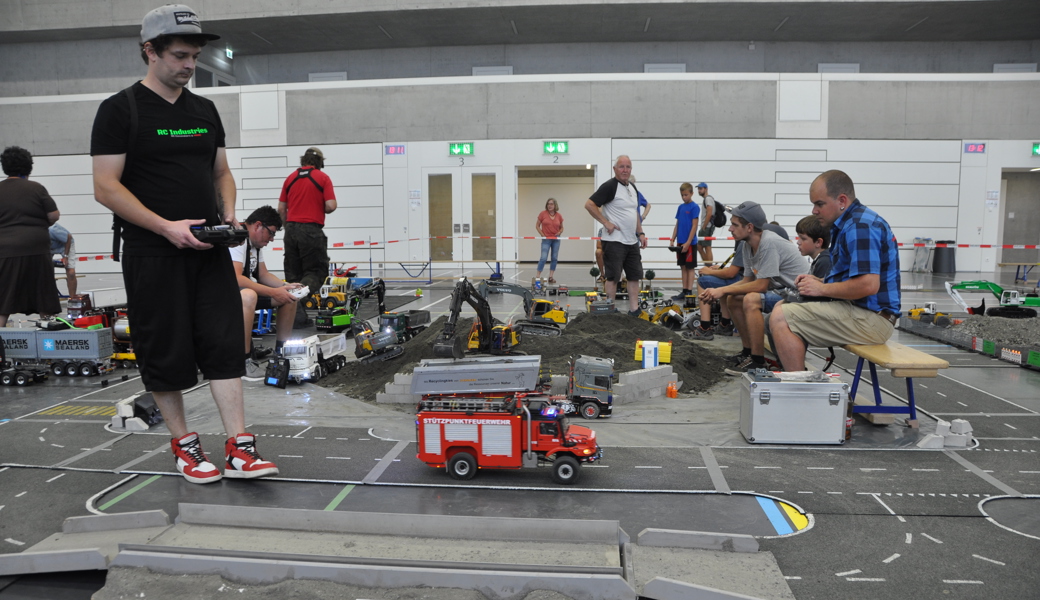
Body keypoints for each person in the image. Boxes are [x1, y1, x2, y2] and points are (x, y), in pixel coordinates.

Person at [91, 4, 277, 484]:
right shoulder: (119, 110)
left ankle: (239, 446)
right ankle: (185, 447)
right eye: (179, 55)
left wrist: (229, 211)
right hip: (153, 254)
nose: (190, 65)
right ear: (149, 51)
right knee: (166, 350)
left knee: (222, 343)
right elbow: (106, 186)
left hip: (209, 251)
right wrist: (165, 227)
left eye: (194, 56)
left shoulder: (204, 110)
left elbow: (221, 172)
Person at [770, 170, 901, 372]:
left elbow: (868, 285)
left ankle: (800, 390)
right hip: (864, 312)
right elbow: (853, 279)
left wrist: (821, 290)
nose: (814, 210)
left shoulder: (860, 226)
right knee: (783, 305)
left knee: (781, 318)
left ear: (842, 200)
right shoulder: (848, 224)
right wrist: (820, 282)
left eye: (819, 204)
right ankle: (800, 380)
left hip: (874, 320)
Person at [696, 201, 807, 375]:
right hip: (782, 292)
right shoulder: (747, 245)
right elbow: (747, 280)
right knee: (734, 298)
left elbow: (761, 285)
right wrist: (720, 293)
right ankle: (747, 353)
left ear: (749, 227)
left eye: (734, 224)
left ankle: (757, 361)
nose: (730, 229)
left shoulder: (768, 243)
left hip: (799, 296)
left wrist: (722, 290)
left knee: (751, 299)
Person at [231, 206, 303, 378]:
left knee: (290, 297)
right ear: (257, 226)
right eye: (270, 233)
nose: (271, 239)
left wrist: (285, 287)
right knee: (249, 296)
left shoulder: (255, 245)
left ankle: (282, 352)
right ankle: (244, 362)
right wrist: (273, 292)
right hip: (223, 294)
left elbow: (262, 274)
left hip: (242, 291)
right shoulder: (238, 239)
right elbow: (236, 278)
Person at [0, 146, 61, 328]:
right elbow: (54, 215)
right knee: (44, 296)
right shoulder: (36, 188)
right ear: (28, 167)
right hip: (37, 248)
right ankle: (47, 342)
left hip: (5, 251)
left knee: (3, 300)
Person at [584, 155, 648, 316]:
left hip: (631, 241)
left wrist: (640, 232)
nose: (625, 170)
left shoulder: (632, 188)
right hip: (614, 241)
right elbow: (589, 204)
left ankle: (634, 310)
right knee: (613, 277)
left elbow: (634, 212)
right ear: (615, 169)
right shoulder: (610, 186)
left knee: (634, 276)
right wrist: (606, 222)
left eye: (628, 167)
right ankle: (609, 309)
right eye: (621, 167)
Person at [279, 147, 337, 294]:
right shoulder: (322, 178)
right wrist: (317, 206)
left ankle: (295, 315)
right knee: (315, 273)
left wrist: (288, 227)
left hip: (290, 230)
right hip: (310, 229)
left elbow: (281, 209)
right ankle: (297, 299)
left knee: (293, 276)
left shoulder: (290, 178)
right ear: (320, 162)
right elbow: (331, 205)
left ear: (303, 160)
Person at [683, 241, 745, 340]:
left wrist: (710, 271)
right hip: (744, 277)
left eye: (734, 225)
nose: (730, 229)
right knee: (722, 283)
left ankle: (704, 328)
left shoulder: (743, 242)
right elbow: (741, 268)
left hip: (744, 280)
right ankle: (724, 325)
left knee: (702, 281)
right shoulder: (746, 240)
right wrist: (722, 270)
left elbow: (731, 274)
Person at [596, 176, 650, 283]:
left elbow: (644, 207)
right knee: (614, 272)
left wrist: (642, 219)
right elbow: (593, 205)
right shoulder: (612, 189)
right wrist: (606, 221)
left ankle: (624, 279)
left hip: (632, 234)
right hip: (616, 236)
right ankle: (614, 281)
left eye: (631, 184)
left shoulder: (636, 193)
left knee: (634, 272)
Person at [669, 183, 699, 301]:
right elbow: (677, 224)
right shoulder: (681, 207)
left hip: (690, 243)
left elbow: (694, 225)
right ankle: (684, 290)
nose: (684, 197)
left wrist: (688, 242)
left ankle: (689, 291)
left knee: (690, 267)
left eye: (686, 195)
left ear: (692, 193)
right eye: (682, 195)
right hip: (680, 242)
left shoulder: (694, 207)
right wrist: (672, 238)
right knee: (683, 266)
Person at [535, 198, 564, 283]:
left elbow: (562, 227)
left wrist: (559, 232)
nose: (549, 205)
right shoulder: (542, 214)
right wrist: (542, 234)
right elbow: (537, 225)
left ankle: (551, 277)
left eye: (551, 204)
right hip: (546, 239)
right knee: (543, 258)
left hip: (556, 239)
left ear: (555, 205)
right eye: (548, 204)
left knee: (554, 258)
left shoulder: (559, 216)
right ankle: (538, 276)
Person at [794, 215, 832, 280]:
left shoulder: (824, 262)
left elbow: (821, 289)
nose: (798, 242)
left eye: (803, 239)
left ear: (818, 242)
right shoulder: (819, 259)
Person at [49, 223, 78, 298]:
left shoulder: (52, 229)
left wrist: (65, 256)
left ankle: (72, 298)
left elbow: (68, 237)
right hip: (49, 247)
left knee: (71, 273)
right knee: (45, 270)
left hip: (65, 244)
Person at [696, 183, 716, 264]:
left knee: (707, 247)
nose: (699, 191)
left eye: (701, 189)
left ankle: (709, 267)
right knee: (699, 246)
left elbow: (709, 213)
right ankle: (708, 265)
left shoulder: (708, 199)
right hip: (706, 226)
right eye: (698, 189)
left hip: (707, 226)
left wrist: (704, 226)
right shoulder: (707, 199)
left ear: (706, 189)